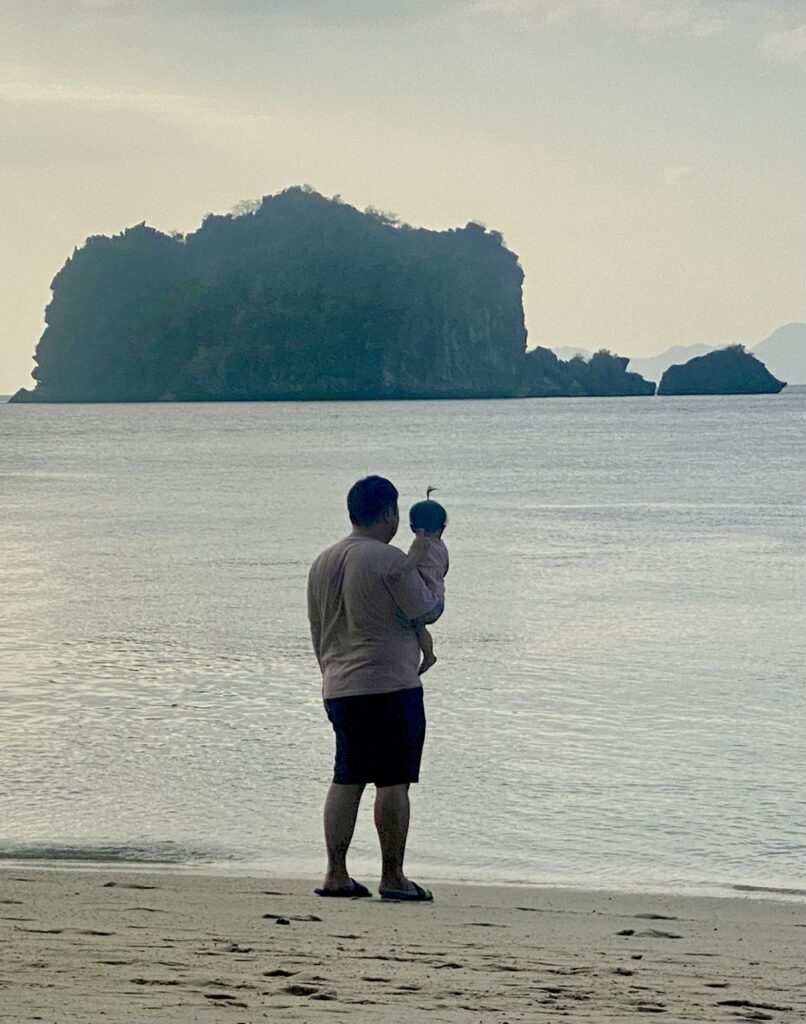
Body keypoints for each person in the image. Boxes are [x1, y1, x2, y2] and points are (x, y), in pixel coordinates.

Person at [307, 475, 443, 902]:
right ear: (388, 512)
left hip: (339, 684)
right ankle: (393, 875)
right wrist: (433, 565)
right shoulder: (388, 560)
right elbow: (427, 607)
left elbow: (318, 628)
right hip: (390, 684)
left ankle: (336, 873)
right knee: (393, 781)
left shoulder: (323, 561)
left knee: (346, 778)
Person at [388, 488, 449, 675]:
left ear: (414, 528)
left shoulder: (421, 542)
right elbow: (444, 570)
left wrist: (399, 573)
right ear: (443, 526)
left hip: (426, 602)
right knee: (418, 625)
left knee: (410, 621)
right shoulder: (442, 547)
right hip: (438, 601)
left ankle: (428, 654)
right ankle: (429, 654)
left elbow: (413, 560)